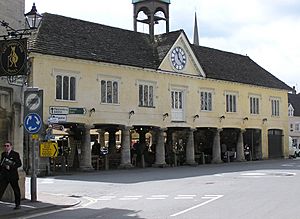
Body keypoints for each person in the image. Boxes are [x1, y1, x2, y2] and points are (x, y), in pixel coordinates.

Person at [0, 141, 22, 210]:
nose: (6, 147)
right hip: (4, 176)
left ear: (11, 146)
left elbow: (19, 164)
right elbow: (1, 163)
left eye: (7, 146)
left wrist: (11, 167)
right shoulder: (3, 154)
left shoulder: (15, 154)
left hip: (13, 176)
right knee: (1, 189)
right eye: (5, 146)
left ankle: (17, 204)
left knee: (16, 191)